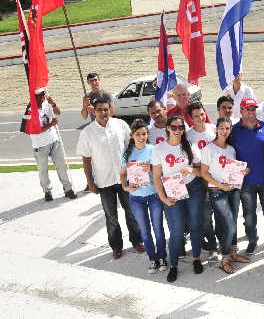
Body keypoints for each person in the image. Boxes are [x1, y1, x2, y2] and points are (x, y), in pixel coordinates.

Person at [77, 97, 144, 259]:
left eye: (106, 109)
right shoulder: (87, 132)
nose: (103, 112)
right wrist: (90, 182)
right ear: (94, 111)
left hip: (125, 179)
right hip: (104, 181)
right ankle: (116, 246)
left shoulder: (120, 125)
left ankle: (136, 241)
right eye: (99, 110)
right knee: (111, 216)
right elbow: (86, 159)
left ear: (110, 109)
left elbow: (132, 148)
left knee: (132, 212)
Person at [152, 115, 205, 282]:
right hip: (172, 190)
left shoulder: (190, 146)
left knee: (196, 225)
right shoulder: (159, 149)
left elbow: (201, 171)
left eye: (180, 127)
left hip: (193, 188)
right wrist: (163, 198)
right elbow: (156, 177)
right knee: (176, 232)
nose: (177, 130)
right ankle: (174, 265)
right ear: (167, 128)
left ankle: (196, 258)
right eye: (173, 127)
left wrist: (191, 170)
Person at [200, 117, 252, 275]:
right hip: (217, 191)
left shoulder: (231, 149)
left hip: (233, 189)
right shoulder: (208, 149)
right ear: (216, 129)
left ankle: (233, 252)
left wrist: (244, 171)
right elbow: (203, 173)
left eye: (227, 128)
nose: (224, 131)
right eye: (221, 128)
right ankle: (224, 259)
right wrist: (220, 185)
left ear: (230, 130)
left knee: (233, 222)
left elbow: (232, 170)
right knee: (228, 225)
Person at [231, 98, 264, 253]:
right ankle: (252, 239)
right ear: (241, 111)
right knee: (249, 214)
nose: (251, 112)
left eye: (253, 109)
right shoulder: (234, 130)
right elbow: (228, 154)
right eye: (248, 109)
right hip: (246, 181)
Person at [118, 120, 167, 274]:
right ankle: (153, 259)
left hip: (154, 195)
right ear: (132, 135)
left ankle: (163, 257)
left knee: (158, 229)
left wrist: (151, 168)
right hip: (136, 198)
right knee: (145, 231)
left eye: (144, 134)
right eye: (138, 134)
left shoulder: (154, 150)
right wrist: (125, 186)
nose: (141, 137)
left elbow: (163, 172)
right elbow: (122, 173)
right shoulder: (127, 153)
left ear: (148, 134)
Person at [29, 88, 75, 201]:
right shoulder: (31, 110)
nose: (43, 96)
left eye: (43, 93)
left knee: (61, 166)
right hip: (40, 145)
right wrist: (51, 124)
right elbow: (36, 130)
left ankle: (68, 189)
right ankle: (47, 191)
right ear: (34, 97)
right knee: (43, 171)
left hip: (54, 140)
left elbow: (58, 112)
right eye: (40, 94)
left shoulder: (47, 104)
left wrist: (53, 104)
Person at [185, 102, 218, 260]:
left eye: (202, 114)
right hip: (199, 181)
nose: (200, 118)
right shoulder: (187, 135)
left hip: (217, 178)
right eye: (196, 116)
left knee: (221, 214)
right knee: (205, 217)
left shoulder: (214, 130)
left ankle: (226, 243)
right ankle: (212, 246)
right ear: (191, 118)